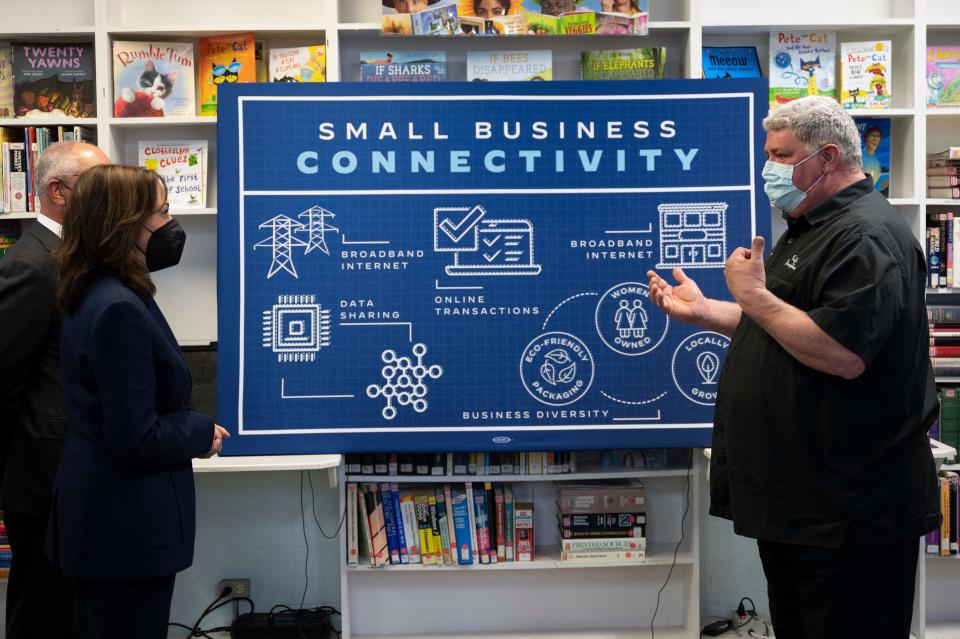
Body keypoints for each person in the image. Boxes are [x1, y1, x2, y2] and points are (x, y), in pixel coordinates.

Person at [646, 95, 938, 639]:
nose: (768, 169)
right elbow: (793, 328)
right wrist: (711, 312)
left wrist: (754, 297)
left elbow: (841, 353)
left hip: (849, 513)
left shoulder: (865, 236)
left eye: (781, 155)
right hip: (802, 507)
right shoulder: (810, 224)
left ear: (827, 158)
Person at [52, 164, 229, 639]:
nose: (171, 225)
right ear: (125, 222)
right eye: (162, 212)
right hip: (123, 529)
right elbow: (135, 434)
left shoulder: (97, 291)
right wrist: (199, 430)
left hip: (107, 523)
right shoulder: (117, 308)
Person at [0, 141, 108, 639]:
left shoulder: (73, 255)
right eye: (97, 182)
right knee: (43, 612)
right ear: (57, 191)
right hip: (42, 480)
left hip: (71, 475)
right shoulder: (31, 264)